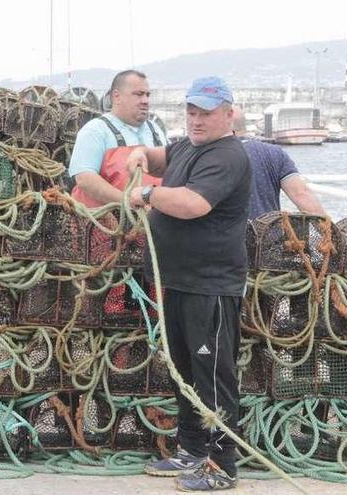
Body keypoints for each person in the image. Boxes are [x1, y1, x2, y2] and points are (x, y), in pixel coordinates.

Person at [125, 77, 251, 491]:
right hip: (178, 282)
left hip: (209, 286)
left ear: (228, 114)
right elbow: (157, 156)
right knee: (183, 370)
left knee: (213, 374)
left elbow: (192, 204)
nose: (197, 120)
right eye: (192, 111)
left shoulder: (227, 156)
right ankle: (192, 449)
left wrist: (146, 191)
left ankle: (221, 465)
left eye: (207, 113)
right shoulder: (186, 146)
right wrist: (140, 155)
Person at [68, 69, 167, 207]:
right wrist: (129, 202)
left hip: (154, 220)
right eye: (138, 94)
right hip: (107, 224)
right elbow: (85, 179)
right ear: (116, 96)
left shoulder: (155, 130)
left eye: (147, 95)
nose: (145, 100)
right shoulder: (95, 130)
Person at [232, 111, 325, 219]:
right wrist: (329, 231)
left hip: (227, 233)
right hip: (268, 231)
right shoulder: (274, 152)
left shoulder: (214, 154)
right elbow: (301, 194)